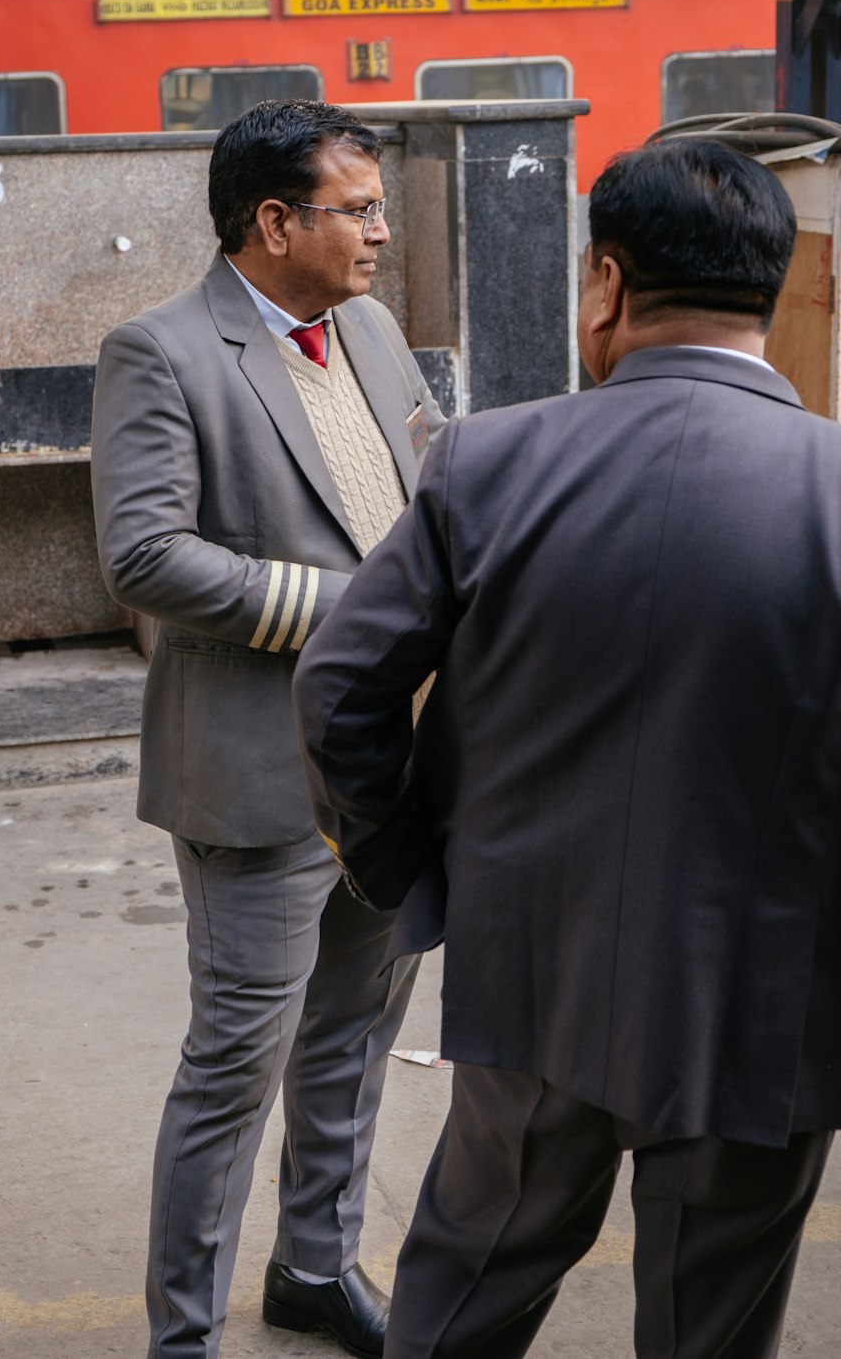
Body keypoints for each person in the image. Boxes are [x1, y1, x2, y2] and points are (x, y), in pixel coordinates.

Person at [292, 137, 841, 1359]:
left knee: (465, 1295)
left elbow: (339, 690)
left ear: (604, 282)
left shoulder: (487, 461)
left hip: (533, 973)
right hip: (767, 1006)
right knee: (712, 1325)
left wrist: (406, 870)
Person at [90, 98, 446, 1359]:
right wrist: (357, 612)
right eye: (356, 209)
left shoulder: (372, 331)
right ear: (272, 219)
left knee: (354, 1038)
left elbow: (426, 482)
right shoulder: (162, 351)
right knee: (234, 1069)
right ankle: (179, 1334)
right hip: (257, 777)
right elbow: (142, 555)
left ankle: (312, 1267)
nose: (380, 233)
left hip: (390, 770)